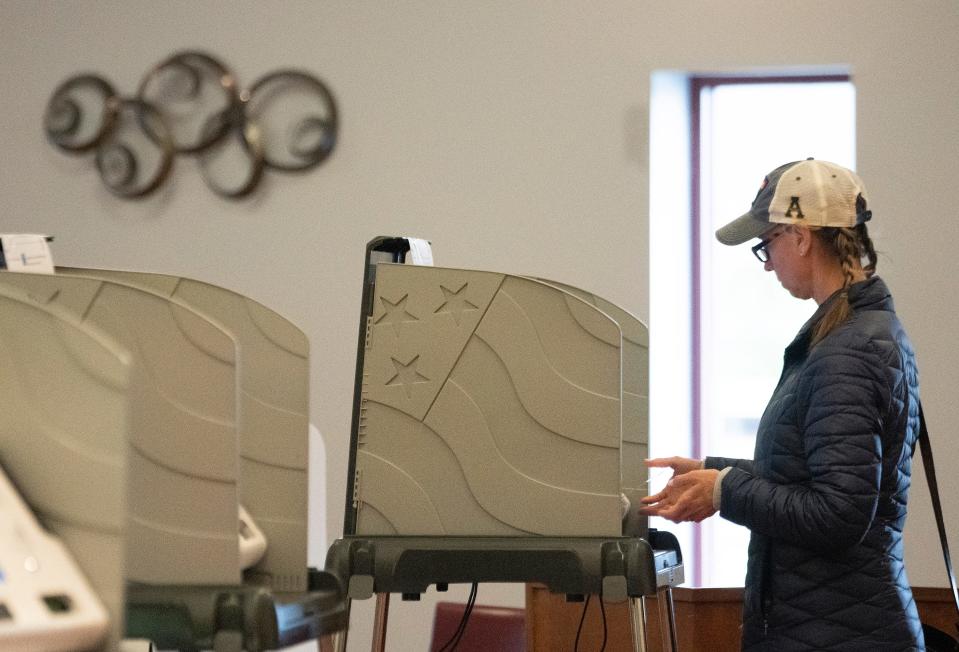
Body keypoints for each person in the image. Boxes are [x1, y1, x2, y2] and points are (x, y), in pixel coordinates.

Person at [640, 159, 925, 651]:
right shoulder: (851, 334)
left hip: (839, 634)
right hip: (835, 627)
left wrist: (724, 491)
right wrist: (713, 472)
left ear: (801, 236)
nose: (767, 262)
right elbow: (821, 475)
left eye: (767, 243)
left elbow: (838, 514)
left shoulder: (851, 348)